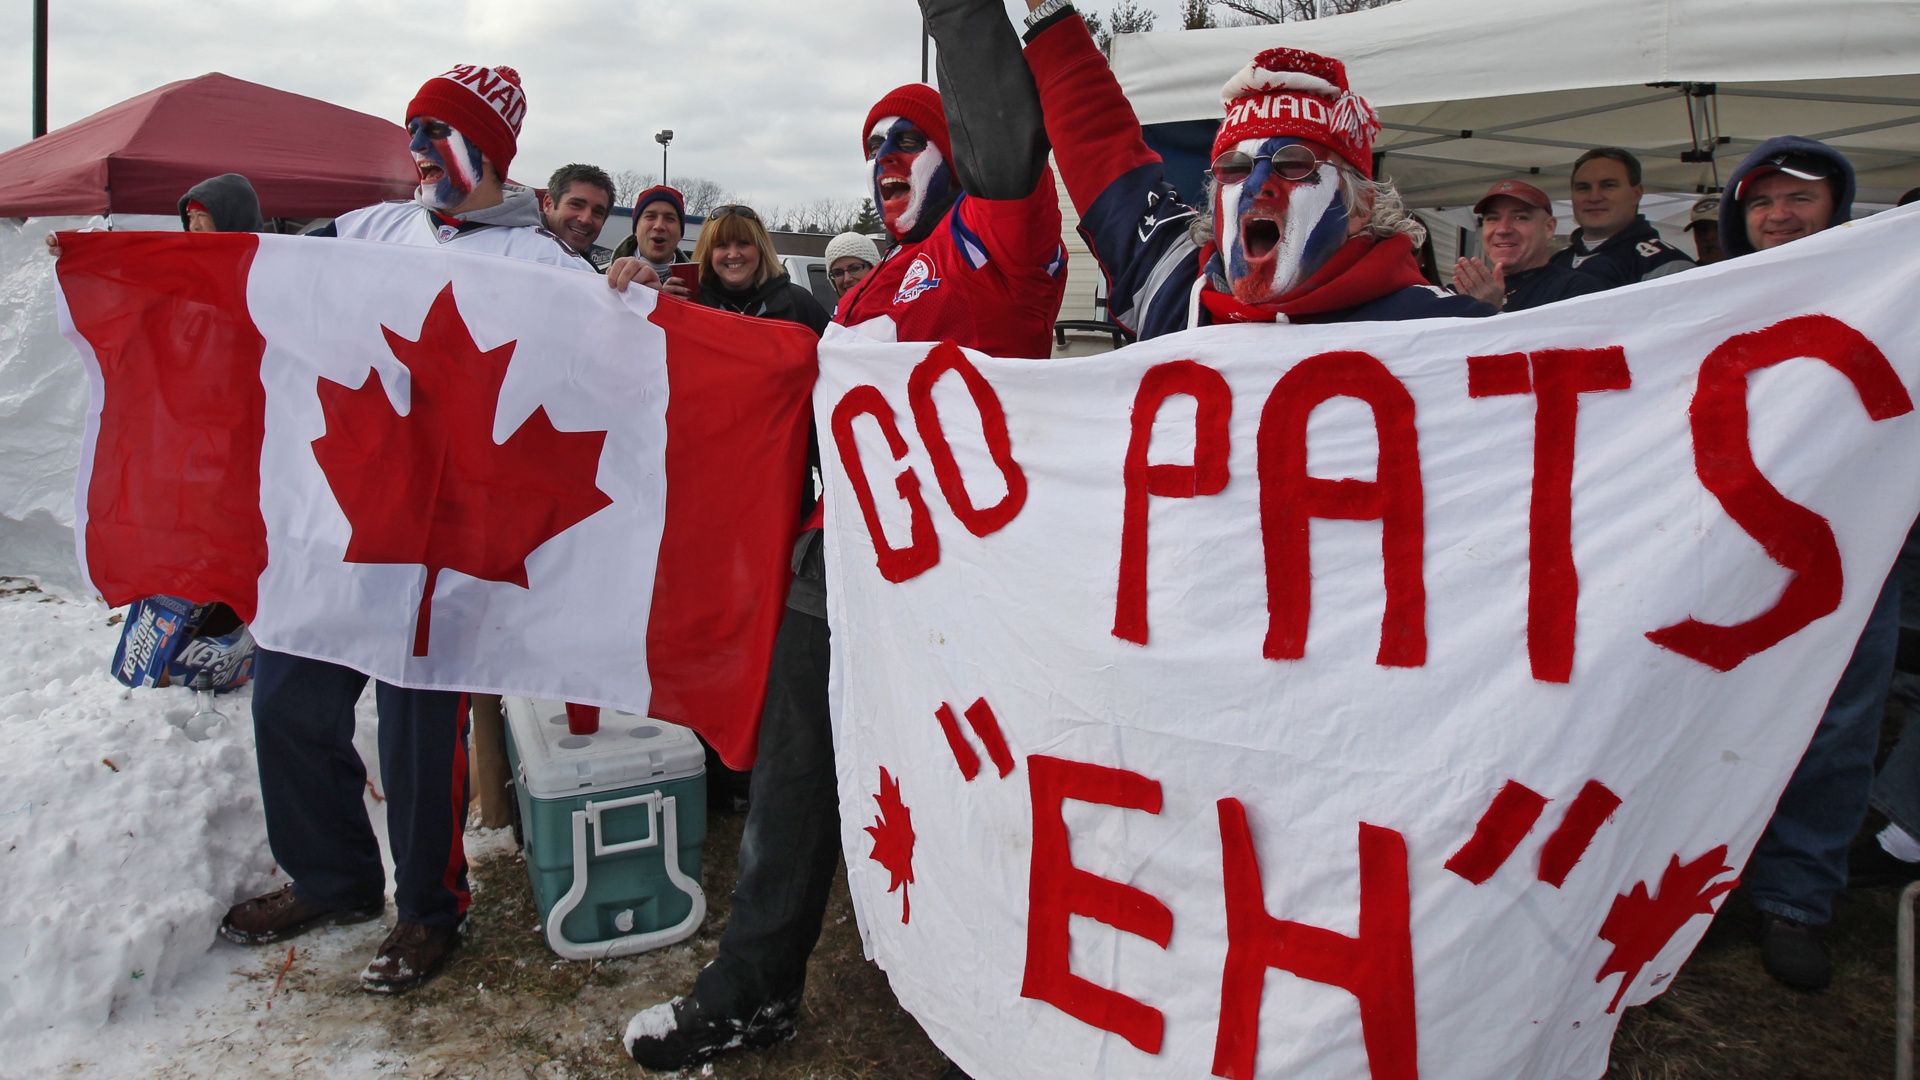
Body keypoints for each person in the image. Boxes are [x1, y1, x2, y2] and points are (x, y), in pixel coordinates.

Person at [618, 1, 1067, 1070]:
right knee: (792, 773)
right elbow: (767, 372)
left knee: (966, 784)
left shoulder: (1000, 239)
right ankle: (756, 986)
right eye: (872, 148)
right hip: (840, 556)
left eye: (907, 140)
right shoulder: (858, 291)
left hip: (961, 576)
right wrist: (641, 314)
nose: (884, 162)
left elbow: (1005, 127)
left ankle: (996, 997)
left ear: (955, 149)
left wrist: (954, 13)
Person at [217, 63, 596, 997]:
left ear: (493, 152)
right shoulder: (374, 227)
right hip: (348, 519)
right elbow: (279, 272)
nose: (418, 147)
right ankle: (334, 878)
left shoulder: (545, 265)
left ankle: (430, 911)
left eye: (440, 129)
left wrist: (626, 287)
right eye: (414, 127)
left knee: (422, 743)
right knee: (287, 703)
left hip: (450, 546)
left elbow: (607, 373)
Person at [1014, 3, 1492, 340]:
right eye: (1236, 168)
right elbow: (1099, 141)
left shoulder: (1443, 334)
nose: (1260, 186)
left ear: (1359, 206)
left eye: (1294, 166)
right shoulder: (1178, 287)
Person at [1717, 136, 1880, 992]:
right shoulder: (1699, 302)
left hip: (1852, 547)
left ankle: (1796, 900)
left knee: (1838, 723)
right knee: (1709, 717)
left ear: (1838, 206)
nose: (1780, 215)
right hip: (1717, 549)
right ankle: (1693, 886)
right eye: (1761, 203)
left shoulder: (1894, 297)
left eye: (1800, 198)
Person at [1450, 179, 1606, 312]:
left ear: (1549, 228)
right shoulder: (1459, 291)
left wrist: (1489, 312)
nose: (1503, 229)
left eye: (1520, 217)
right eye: (1492, 218)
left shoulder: (1577, 290)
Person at [1547, 148, 1693, 288]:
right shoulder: (1556, 262)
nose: (1594, 197)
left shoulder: (1665, 264)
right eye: (1583, 188)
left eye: (1608, 186)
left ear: (1636, 194)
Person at [690, 204, 831, 333]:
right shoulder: (691, 304)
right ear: (708, 252)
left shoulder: (798, 303)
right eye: (722, 245)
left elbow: (834, 356)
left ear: (761, 249)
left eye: (743, 244)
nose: (733, 255)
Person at [611, 185, 693, 299]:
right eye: (650, 216)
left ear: (680, 233)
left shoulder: (700, 286)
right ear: (635, 229)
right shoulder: (603, 277)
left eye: (670, 218)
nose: (659, 226)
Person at [542, 163, 616, 270]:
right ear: (548, 204)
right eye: (576, 205)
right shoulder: (516, 252)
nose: (585, 219)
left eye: (597, 212)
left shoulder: (592, 275)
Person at [179, 173, 267, 234]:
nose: (194, 226)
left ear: (231, 217)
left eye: (201, 215)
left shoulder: (267, 258)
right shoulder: (188, 259)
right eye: (190, 217)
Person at [823, 231, 882, 297]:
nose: (847, 279)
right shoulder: (838, 307)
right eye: (838, 273)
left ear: (874, 268)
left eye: (855, 268)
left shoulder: (893, 305)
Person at [1685, 195, 1723, 264]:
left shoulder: (1748, 268)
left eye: (1718, 228)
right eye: (1701, 230)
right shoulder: (1688, 273)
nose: (1708, 237)